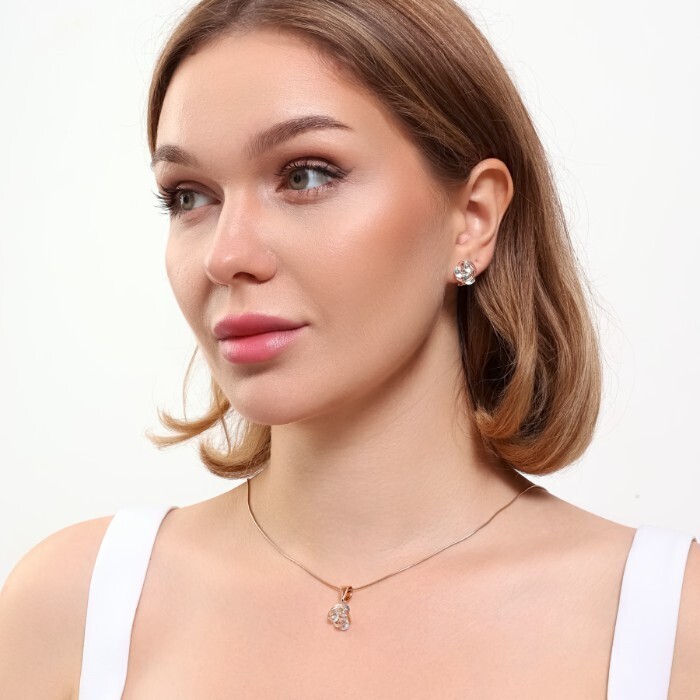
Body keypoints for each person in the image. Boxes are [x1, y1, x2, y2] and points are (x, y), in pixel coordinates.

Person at [1, 0, 698, 697]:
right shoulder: (74, 610)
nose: (226, 255)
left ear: (472, 218)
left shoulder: (671, 630)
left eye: (306, 175)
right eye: (189, 196)